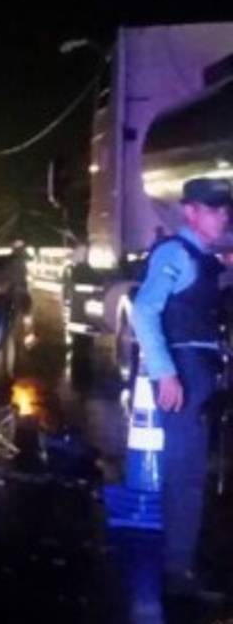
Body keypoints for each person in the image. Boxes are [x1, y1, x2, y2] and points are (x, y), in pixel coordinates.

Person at [130, 177, 233, 604]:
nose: (223, 215)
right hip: (186, 371)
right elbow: (143, 310)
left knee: (197, 470)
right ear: (190, 211)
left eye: (225, 208)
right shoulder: (175, 253)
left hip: (202, 370)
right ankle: (177, 571)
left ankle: (187, 560)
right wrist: (165, 373)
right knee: (185, 472)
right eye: (213, 208)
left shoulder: (204, 257)